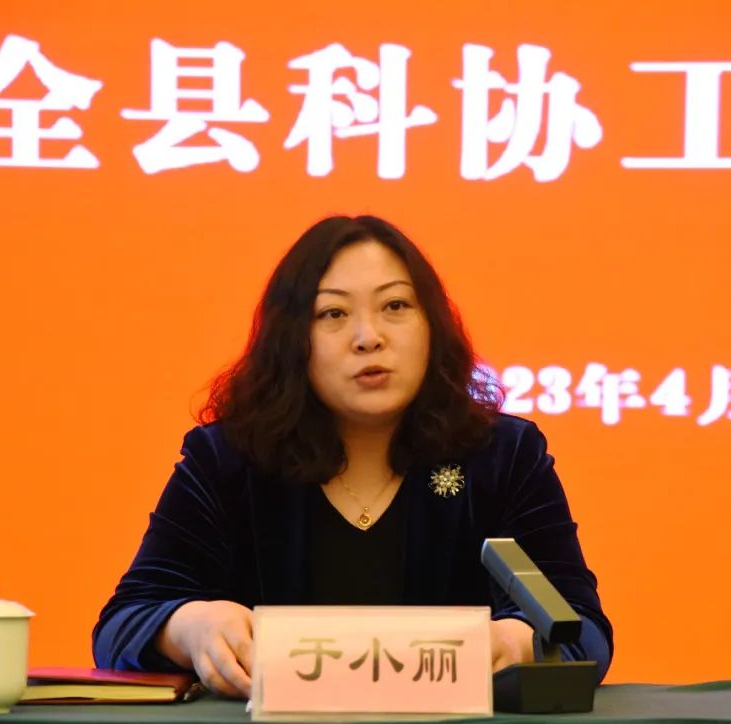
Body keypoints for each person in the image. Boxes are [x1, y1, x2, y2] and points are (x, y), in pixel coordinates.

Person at [92, 215, 613, 698]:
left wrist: (521, 640)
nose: (369, 338)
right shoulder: (228, 460)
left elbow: (584, 630)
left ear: (432, 324)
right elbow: (121, 626)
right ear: (293, 341)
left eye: (395, 306)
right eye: (333, 314)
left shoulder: (503, 455)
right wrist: (189, 626)